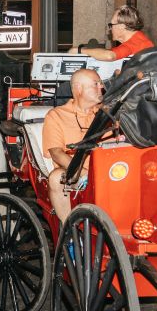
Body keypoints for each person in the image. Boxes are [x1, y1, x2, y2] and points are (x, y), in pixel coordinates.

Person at [42, 68, 105, 223]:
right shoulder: (56, 115)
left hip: (110, 172)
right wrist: (85, 173)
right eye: (95, 84)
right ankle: (68, 231)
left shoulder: (106, 114)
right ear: (78, 89)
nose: (101, 87)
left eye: (100, 83)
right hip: (78, 175)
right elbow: (56, 152)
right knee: (57, 177)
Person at [71, 5, 154, 62]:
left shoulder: (136, 42)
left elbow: (109, 56)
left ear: (122, 26)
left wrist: (79, 50)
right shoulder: (138, 39)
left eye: (111, 25)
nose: (110, 29)